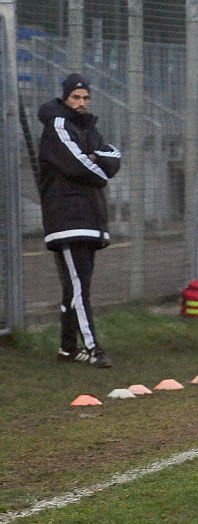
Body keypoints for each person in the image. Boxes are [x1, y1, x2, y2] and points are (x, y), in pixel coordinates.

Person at [37, 73, 122, 368]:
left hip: (89, 219)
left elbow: (114, 157)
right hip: (68, 219)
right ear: (65, 98)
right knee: (78, 286)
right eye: (76, 97)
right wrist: (99, 169)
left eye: (85, 98)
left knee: (75, 285)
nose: (81, 103)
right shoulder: (58, 125)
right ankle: (93, 348)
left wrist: (96, 160)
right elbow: (78, 164)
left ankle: (67, 347)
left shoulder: (90, 129)